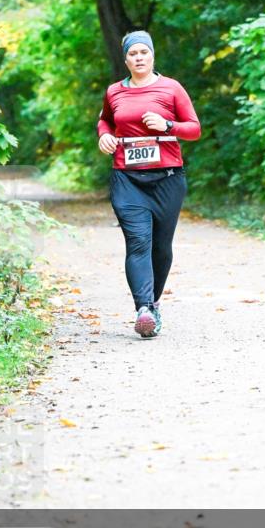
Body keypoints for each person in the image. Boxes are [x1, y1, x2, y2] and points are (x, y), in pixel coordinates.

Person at [97, 31, 201, 338]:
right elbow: (105, 120)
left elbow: (194, 129)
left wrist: (168, 125)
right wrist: (104, 134)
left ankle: (154, 303)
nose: (139, 57)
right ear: (126, 58)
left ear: (152, 55)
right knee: (138, 241)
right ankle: (143, 309)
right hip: (127, 178)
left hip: (168, 178)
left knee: (161, 247)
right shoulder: (115, 91)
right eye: (133, 53)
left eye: (144, 52)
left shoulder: (171, 88)